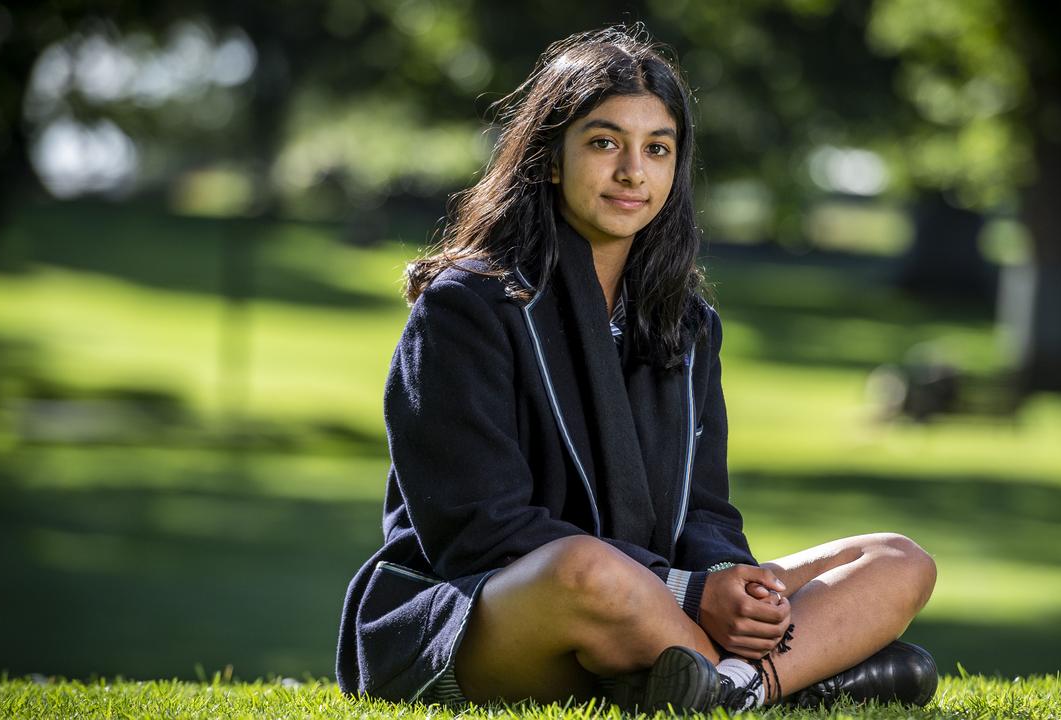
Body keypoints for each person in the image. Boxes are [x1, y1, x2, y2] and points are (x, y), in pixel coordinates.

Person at [335, 25, 938, 712]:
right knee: (586, 570)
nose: (633, 171)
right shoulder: (467, 306)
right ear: (551, 159)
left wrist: (732, 581)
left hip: (661, 606)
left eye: (658, 148)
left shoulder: (688, 323)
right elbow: (480, 528)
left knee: (897, 560)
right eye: (603, 142)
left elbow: (705, 509)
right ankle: (793, 678)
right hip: (482, 616)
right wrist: (686, 593)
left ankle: (731, 689)